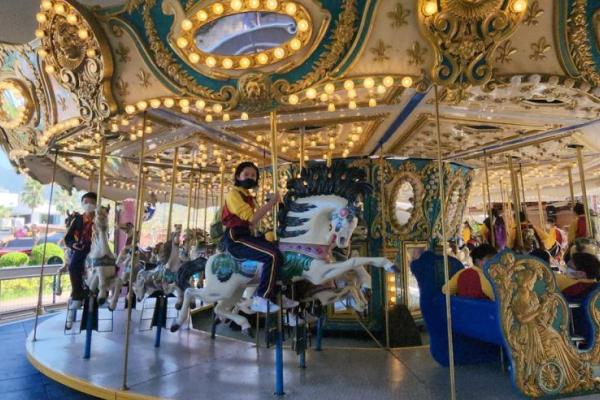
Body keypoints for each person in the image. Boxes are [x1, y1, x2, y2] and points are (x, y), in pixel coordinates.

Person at [222, 162, 298, 313]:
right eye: (246, 174)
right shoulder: (233, 194)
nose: (250, 177)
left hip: (247, 235)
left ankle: (276, 295)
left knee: (280, 250)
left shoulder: (248, 196)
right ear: (238, 176)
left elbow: (256, 223)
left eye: (253, 175)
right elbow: (252, 219)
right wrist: (271, 203)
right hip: (236, 238)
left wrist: (275, 204)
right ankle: (261, 298)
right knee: (272, 255)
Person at [64, 192, 97, 311]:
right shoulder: (77, 219)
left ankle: (104, 292)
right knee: (73, 266)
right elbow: (68, 237)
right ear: (82, 203)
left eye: (92, 202)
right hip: (82, 247)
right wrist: (73, 244)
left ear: (96, 204)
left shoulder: (99, 218)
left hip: (96, 247)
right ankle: (77, 295)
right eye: (86, 202)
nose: (89, 204)